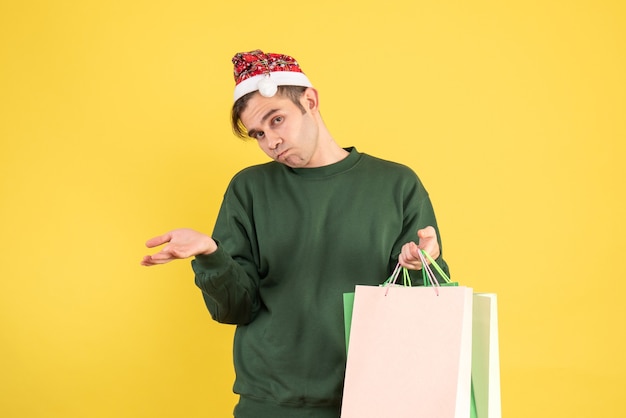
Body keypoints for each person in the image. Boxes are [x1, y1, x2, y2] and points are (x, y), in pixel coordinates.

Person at [141, 49, 450, 418]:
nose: (270, 141)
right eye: (258, 133)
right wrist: (211, 254)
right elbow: (235, 309)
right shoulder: (249, 189)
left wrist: (417, 267)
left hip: (372, 398)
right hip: (269, 402)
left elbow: (422, 316)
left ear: (310, 101)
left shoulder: (395, 184)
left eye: (277, 120)